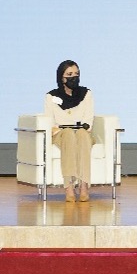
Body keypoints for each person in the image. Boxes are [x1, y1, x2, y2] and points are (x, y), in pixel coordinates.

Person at [45, 60, 96, 202]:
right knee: (68, 134)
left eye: (76, 74)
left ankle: (84, 186)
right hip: (61, 134)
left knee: (82, 135)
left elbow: (88, 119)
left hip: (82, 131)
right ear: (61, 77)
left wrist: (81, 127)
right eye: (69, 74)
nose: (73, 77)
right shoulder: (51, 96)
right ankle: (69, 187)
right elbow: (50, 122)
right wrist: (65, 127)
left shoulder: (86, 93)